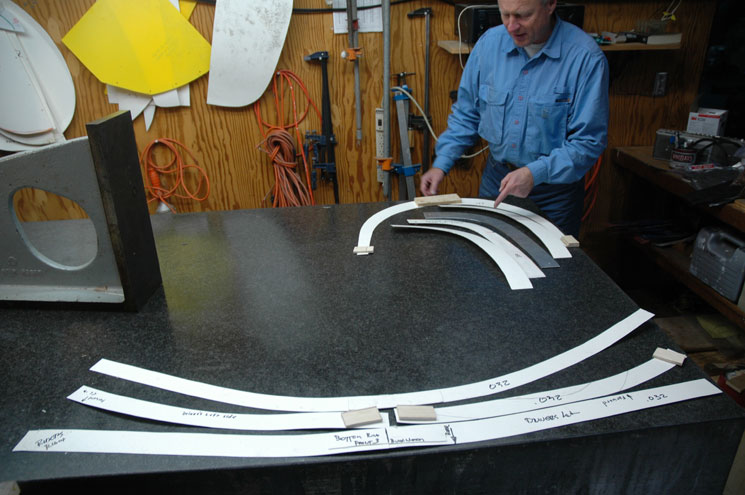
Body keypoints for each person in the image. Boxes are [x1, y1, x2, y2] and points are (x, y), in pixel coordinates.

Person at [419, 0, 609, 237]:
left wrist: (535, 173)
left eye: (523, 16)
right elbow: (467, 113)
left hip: (555, 195)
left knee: (550, 259)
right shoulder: (489, 44)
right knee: (488, 251)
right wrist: (442, 162)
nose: (511, 26)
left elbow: (588, 143)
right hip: (497, 180)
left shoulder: (585, 58)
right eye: (505, 14)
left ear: (550, 5)